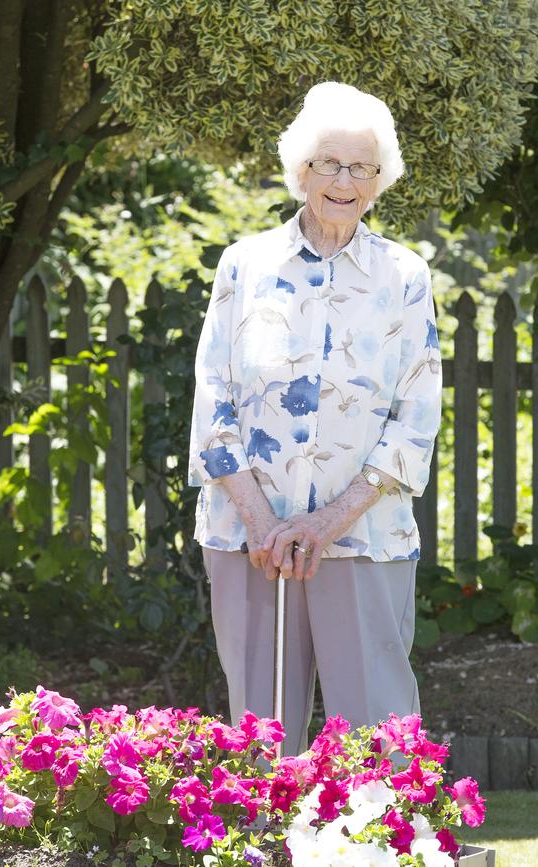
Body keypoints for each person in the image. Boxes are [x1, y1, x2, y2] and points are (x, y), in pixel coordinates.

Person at [188, 81, 442, 756]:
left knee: (378, 736)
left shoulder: (405, 277)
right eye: (330, 163)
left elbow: (415, 418)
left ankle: (383, 859)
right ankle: (264, 860)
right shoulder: (245, 265)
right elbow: (212, 396)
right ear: (302, 170)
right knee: (260, 738)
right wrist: (262, 521)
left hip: (364, 536)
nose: (344, 180)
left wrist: (327, 522)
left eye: (362, 167)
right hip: (250, 537)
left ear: (379, 181)